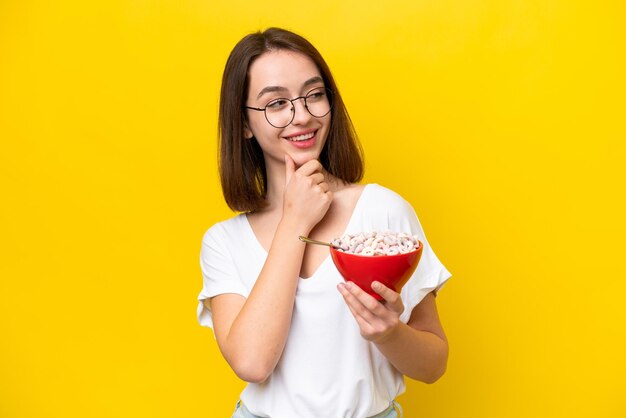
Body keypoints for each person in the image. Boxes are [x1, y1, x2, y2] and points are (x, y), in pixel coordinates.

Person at [197, 27, 452, 418]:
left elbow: (433, 365)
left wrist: (390, 333)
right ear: (244, 123)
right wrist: (295, 219)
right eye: (276, 103)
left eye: (314, 95)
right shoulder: (223, 242)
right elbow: (251, 363)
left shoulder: (382, 211)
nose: (302, 116)